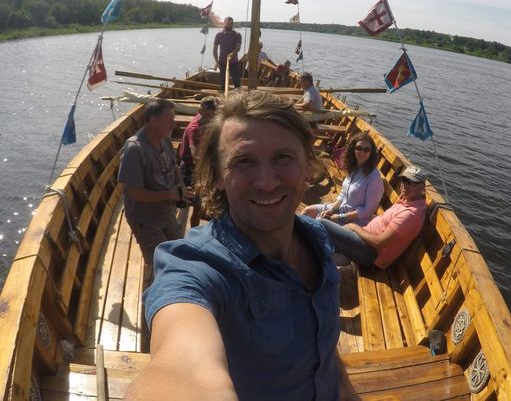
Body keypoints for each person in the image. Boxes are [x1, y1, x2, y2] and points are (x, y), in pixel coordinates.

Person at [125, 91, 358, 400]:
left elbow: (323, 345)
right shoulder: (195, 267)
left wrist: (347, 392)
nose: (266, 182)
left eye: (282, 157)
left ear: (307, 165)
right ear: (218, 177)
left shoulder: (318, 237)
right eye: (243, 161)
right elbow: (180, 368)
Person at [117, 99, 195, 265]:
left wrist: (181, 188)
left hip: (165, 210)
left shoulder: (164, 139)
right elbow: (134, 193)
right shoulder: (135, 149)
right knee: (160, 263)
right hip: (145, 219)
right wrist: (169, 194)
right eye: (169, 120)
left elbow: (174, 167)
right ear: (153, 121)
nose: (173, 124)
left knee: (179, 251)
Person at [319, 165, 428, 269]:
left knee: (323, 224)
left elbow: (378, 243)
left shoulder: (410, 214)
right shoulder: (407, 200)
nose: (405, 185)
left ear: (422, 186)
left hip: (372, 254)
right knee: (324, 239)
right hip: (365, 238)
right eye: (403, 180)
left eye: (411, 182)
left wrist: (354, 227)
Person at [302, 132, 384, 226]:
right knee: (307, 211)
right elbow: (343, 195)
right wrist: (331, 210)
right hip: (341, 209)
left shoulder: (374, 177)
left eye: (366, 150)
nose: (362, 152)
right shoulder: (354, 168)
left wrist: (339, 217)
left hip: (355, 221)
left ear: (371, 153)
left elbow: (367, 211)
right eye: (359, 148)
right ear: (353, 149)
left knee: (319, 222)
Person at [178, 97, 217, 226]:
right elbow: (196, 157)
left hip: (200, 167)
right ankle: (180, 231)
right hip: (190, 170)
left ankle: (194, 228)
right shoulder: (195, 129)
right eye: (210, 115)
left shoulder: (205, 119)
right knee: (185, 205)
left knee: (198, 205)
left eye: (214, 115)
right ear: (202, 112)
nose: (213, 118)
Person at [213, 16, 242, 92]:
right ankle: (223, 95)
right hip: (222, 63)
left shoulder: (237, 35)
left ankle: (238, 96)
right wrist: (217, 62)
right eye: (228, 23)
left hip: (234, 63)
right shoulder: (219, 35)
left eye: (231, 24)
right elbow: (215, 50)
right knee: (223, 82)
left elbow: (238, 48)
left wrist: (231, 55)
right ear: (224, 23)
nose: (229, 25)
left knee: (237, 81)